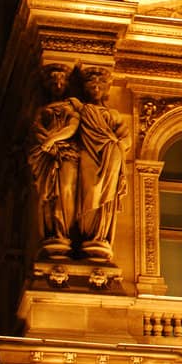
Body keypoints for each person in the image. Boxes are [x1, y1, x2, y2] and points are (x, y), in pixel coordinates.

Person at [73, 66, 131, 263]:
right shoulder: (80, 110)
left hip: (111, 156)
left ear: (107, 89)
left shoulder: (113, 114)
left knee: (106, 198)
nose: (96, 87)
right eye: (91, 84)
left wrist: (114, 146)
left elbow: (125, 138)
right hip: (87, 154)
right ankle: (88, 236)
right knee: (89, 192)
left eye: (100, 84)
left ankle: (99, 236)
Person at [27, 62, 81, 259]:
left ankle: (63, 233)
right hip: (46, 155)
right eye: (53, 82)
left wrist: (51, 140)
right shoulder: (42, 109)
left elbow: (72, 127)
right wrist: (46, 143)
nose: (57, 86)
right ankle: (52, 234)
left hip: (66, 153)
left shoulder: (71, 107)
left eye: (61, 82)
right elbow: (36, 128)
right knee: (45, 195)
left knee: (66, 190)